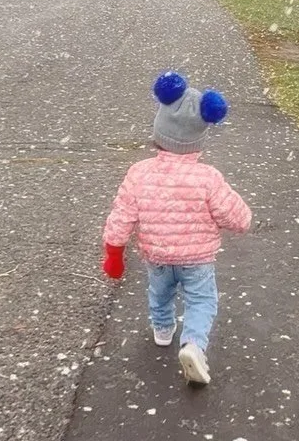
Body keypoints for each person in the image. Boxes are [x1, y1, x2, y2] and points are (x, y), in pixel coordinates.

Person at [102, 71, 252, 385]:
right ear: (199, 138)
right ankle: (193, 344)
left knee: (160, 294)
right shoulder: (208, 178)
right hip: (197, 260)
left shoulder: (139, 173)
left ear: (159, 130)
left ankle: (162, 330)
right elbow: (235, 216)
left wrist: (114, 252)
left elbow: (122, 214)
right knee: (201, 300)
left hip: (157, 256)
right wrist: (243, 220)